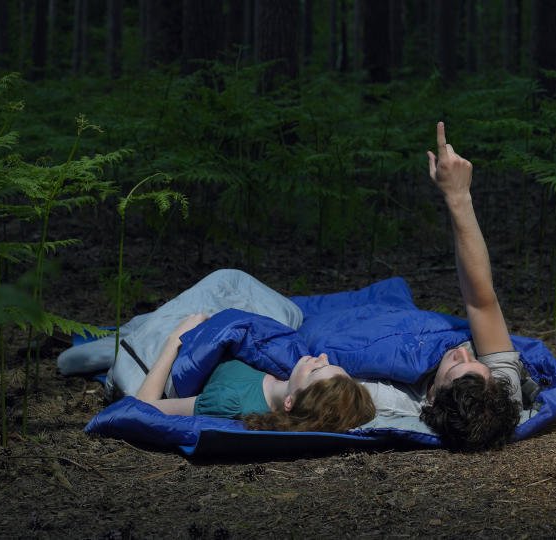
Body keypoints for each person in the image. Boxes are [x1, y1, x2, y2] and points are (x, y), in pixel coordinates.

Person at [360, 122, 523, 451]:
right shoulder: (499, 392)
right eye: (474, 360)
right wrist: (459, 197)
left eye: (456, 364)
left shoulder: (395, 402)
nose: (464, 351)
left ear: (431, 398)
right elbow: (481, 301)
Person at [134, 313, 376, 433]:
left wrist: (172, 341)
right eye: (327, 362)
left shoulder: (229, 403)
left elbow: (143, 408)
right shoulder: (287, 370)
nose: (321, 357)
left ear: (290, 402)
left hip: (177, 347)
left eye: (316, 370)